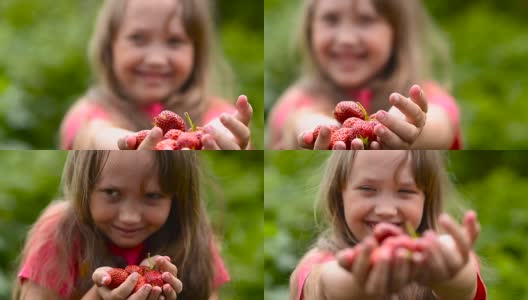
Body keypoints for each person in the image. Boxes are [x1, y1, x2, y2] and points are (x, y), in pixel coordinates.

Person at [13, 151, 229, 300]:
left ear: (178, 198)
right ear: (85, 189)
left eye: (152, 196)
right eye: (112, 193)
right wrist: (97, 297)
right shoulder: (59, 234)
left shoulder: (191, 239)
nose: (130, 217)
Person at [290, 151, 487, 300]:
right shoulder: (318, 262)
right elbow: (326, 284)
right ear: (339, 196)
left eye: (405, 191)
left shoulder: (442, 254)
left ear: (426, 200)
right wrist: (358, 281)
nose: (386, 210)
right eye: (367, 189)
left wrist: (448, 272)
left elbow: (463, 286)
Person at [267, 0, 461, 150]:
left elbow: (442, 123)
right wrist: (313, 127)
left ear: (397, 33)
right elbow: (293, 121)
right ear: (311, 30)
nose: (346, 39)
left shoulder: (424, 96)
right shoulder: (296, 101)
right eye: (331, 19)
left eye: (366, 20)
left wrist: (416, 128)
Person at [60, 0, 253, 150]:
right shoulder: (88, 113)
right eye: (138, 39)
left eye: (174, 41)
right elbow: (92, 135)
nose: (156, 59)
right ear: (110, 47)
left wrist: (232, 144)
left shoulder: (217, 114)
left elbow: (231, 139)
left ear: (197, 51)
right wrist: (129, 143)